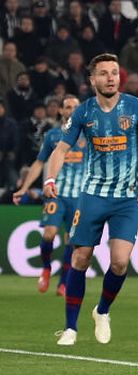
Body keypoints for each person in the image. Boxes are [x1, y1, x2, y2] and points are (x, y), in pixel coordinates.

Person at [44, 54, 138, 346]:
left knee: (120, 262)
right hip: (93, 195)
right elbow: (60, 150)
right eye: (104, 73)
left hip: (125, 199)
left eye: (114, 72)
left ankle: (102, 311)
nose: (111, 77)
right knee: (80, 258)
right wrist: (50, 179)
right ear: (92, 80)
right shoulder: (83, 113)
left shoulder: (137, 107)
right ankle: (70, 328)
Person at [12, 94, 86, 294]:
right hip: (56, 193)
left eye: (74, 107)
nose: (71, 110)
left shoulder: (88, 135)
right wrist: (24, 188)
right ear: (61, 111)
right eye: (67, 107)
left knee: (72, 241)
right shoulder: (53, 135)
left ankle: (63, 281)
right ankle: (46, 267)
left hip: (79, 197)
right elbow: (39, 162)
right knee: (49, 233)